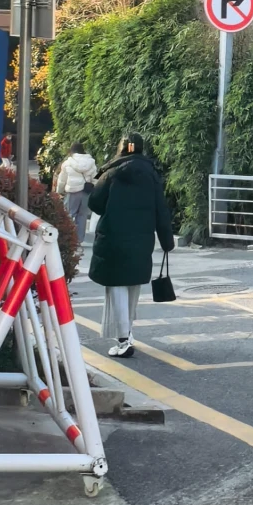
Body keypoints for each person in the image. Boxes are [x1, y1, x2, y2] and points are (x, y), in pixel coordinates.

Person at [87, 132, 175, 359]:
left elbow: (95, 203)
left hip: (113, 238)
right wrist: (167, 240)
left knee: (116, 286)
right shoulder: (152, 174)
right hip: (141, 239)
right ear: (140, 148)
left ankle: (123, 340)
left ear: (122, 148)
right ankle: (127, 333)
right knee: (132, 285)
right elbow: (161, 210)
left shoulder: (111, 172)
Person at [54, 141, 97, 245]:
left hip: (72, 191)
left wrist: (59, 191)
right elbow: (95, 178)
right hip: (86, 191)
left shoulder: (68, 163)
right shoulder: (91, 162)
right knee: (82, 216)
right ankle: (79, 240)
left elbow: (62, 180)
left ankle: (68, 239)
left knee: (69, 215)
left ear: (72, 150)